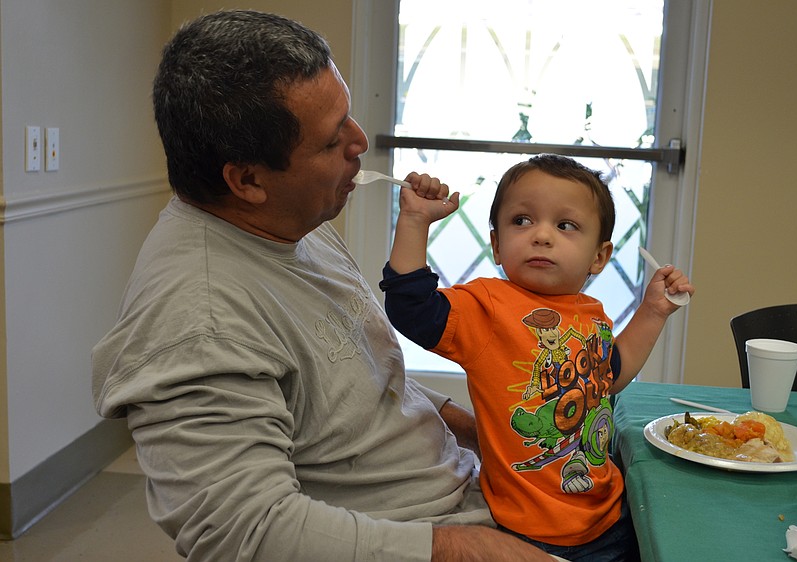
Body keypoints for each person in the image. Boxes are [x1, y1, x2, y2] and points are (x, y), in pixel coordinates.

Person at [91, 9, 558, 562]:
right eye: (333, 139)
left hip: (470, 494)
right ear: (247, 179)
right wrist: (467, 548)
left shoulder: (295, 224)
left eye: (350, 117)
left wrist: (478, 428)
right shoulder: (200, 320)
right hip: (434, 531)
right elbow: (247, 534)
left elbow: (359, 386)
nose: (361, 142)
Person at [381, 154, 696, 561]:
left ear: (598, 257)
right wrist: (414, 221)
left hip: (609, 515)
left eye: (565, 226)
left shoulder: (591, 312)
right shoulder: (486, 307)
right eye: (522, 221)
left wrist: (653, 311)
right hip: (529, 532)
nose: (541, 235)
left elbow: (609, 375)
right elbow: (411, 307)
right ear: (496, 244)